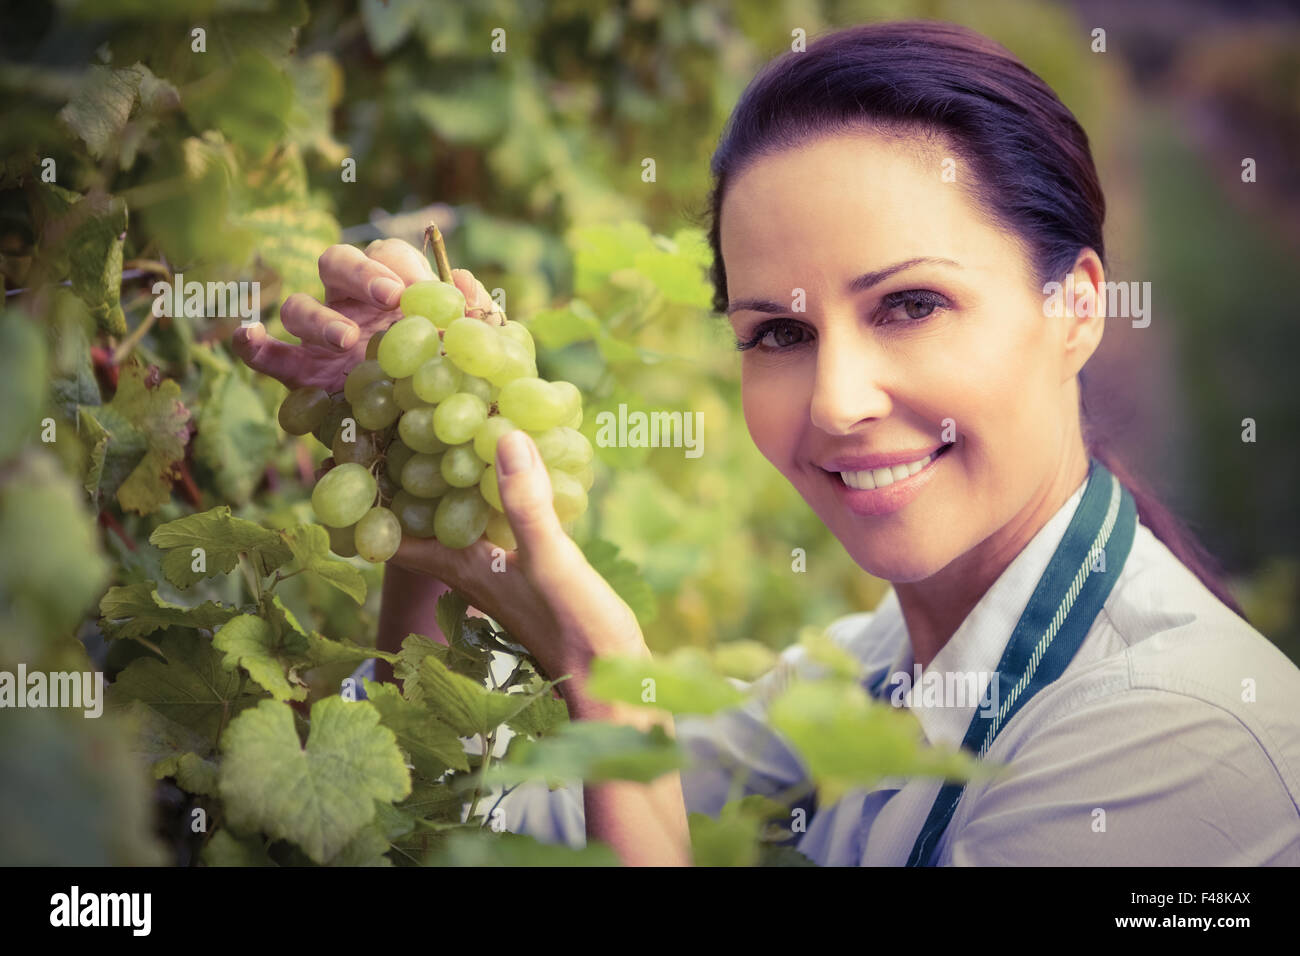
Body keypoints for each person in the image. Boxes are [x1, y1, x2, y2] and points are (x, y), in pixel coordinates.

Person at [235, 20, 1300, 866]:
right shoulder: (864, 670)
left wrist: (601, 673)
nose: (835, 401)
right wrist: (429, 524)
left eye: (910, 303)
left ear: (1074, 309)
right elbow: (476, 816)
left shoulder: (1182, 741)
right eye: (779, 333)